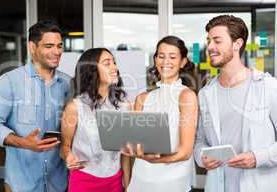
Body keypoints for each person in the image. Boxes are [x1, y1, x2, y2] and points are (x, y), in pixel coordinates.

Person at [0, 20, 71, 192]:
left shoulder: (68, 84)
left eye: (59, 46)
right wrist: (23, 143)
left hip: (59, 182)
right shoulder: (9, 82)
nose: (57, 51)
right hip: (21, 183)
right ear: (32, 47)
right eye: (49, 46)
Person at [194, 15, 277, 192]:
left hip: (258, 185)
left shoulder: (268, 87)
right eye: (208, 41)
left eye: (217, 41)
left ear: (237, 44)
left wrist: (259, 157)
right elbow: (200, 140)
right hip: (217, 186)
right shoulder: (206, 94)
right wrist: (202, 157)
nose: (209, 47)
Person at [125, 36, 198, 192]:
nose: (166, 62)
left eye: (172, 57)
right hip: (141, 179)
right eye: (161, 56)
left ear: (183, 62)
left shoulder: (187, 96)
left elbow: (185, 151)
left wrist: (156, 160)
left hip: (173, 181)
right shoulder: (142, 99)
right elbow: (136, 143)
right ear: (155, 59)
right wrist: (129, 147)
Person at [60, 48, 131, 192]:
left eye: (114, 62)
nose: (115, 67)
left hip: (114, 181)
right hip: (84, 180)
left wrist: (128, 185)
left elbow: (124, 153)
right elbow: (64, 146)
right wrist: (68, 155)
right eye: (107, 63)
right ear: (91, 70)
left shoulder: (124, 106)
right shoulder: (74, 107)